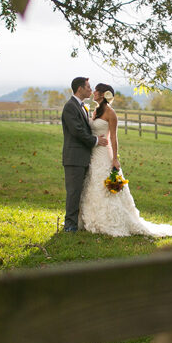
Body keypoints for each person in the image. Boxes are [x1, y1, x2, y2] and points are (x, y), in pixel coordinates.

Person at [78, 83, 172, 238]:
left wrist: (115, 159)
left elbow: (113, 137)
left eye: (97, 91)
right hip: (94, 153)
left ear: (103, 94)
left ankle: (110, 221)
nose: (94, 93)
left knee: (105, 186)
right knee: (93, 184)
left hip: (105, 153)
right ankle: (91, 217)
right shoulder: (96, 111)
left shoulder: (110, 113)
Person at [62, 77, 108, 232]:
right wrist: (95, 140)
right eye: (88, 87)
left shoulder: (83, 107)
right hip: (74, 158)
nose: (90, 90)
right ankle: (69, 225)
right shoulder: (70, 107)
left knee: (82, 192)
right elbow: (77, 131)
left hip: (85, 157)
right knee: (74, 192)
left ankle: (80, 222)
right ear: (80, 89)